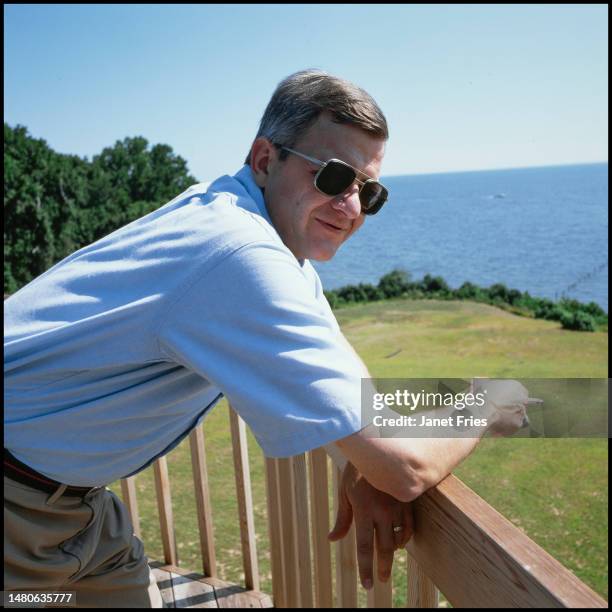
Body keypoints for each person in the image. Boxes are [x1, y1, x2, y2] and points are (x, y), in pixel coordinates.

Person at [4, 69, 528, 607]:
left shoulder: (255, 236)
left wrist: (361, 467)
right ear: (264, 159)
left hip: (75, 509)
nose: (350, 207)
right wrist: (489, 403)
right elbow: (406, 465)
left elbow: (356, 407)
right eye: (333, 176)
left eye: (368, 191)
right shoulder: (241, 255)